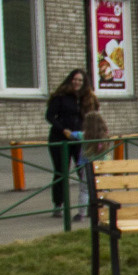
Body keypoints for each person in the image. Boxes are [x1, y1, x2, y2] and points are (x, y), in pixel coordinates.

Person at [44, 70, 91, 217]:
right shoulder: (60, 97)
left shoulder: (86, 98)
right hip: (60, 139)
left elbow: (90, 116)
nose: (77, 83)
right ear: (70, 80)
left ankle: (88, 204)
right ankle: (58, 205)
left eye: (80, 81)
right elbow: (50, 116)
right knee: (61, 171)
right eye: (75, 79)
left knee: (83, 170)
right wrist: (63, 129)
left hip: (78, 139)